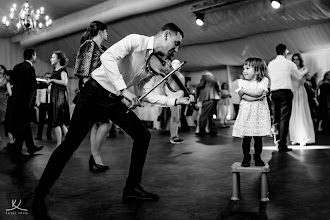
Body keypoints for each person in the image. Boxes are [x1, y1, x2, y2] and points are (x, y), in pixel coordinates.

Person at [32, 23, 193, 216]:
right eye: (176, 43)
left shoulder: (153, 63)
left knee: (142, 135)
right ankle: (39, 194)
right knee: (69, 145)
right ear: (166, 35)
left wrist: (176, 100)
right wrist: (124, 91)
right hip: (93, 94)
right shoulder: (135, 41)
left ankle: (132, 188)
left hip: (113, 99)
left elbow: (145, 94)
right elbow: (106, 57)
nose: (176, 50)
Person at [74, 21, 112, 171]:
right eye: (106, 31)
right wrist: (88, 91)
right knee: (106, 123)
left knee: (96, 124)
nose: (108, 34)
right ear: (101, 31)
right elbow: (84, 71)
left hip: (100, 90)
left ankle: (95, 158)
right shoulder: (89, 44)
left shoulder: (101, 47)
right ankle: (95, 157)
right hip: (92, 91)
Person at [232, 57, 271, 167]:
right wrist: (257, 97)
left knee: (258, 137)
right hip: (247, 113)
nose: (244, 70)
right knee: (246, 138)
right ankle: (246, 157)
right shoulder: (241, 82)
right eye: (243, 68)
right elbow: (246, 97)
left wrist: (250, 93)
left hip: (259, 114)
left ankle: (258, 157)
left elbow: (259, 91)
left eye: (248, 68)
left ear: (257, 70)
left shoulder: (264, 80)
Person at [268, 44, 306, 152]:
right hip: (285, 92)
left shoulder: (270, 64)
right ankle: (282, 144)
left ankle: (277, 141)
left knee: (276, 118)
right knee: (284, 118)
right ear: (285, 52)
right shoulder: (289, 63)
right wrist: (305, 71)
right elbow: (298, 75)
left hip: (274, 92)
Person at [9, 49, 44, 158]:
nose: (36, 57)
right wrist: (44, 84)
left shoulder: (16, 67)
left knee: (24, 125)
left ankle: (31, 147)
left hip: (15, 101)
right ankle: (16, 149)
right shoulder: (30, 68)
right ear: (32, 56)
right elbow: (31, 85)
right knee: (23, 126)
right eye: (36, 55)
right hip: (24, 103)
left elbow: (13, 82)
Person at [289, 53, 315, 146]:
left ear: (300, 61)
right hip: (293, 92)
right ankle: (295, 137)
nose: (295, 61)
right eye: (294, 59)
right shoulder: (291, 70)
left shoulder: (303, 69)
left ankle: (304, 137)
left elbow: (299, 77)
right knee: (294, 114)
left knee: (302, 113)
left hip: (300, 92)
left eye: (297, 59)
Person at [48, 51, 70, 147]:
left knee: (57, 121)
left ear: (58, 59)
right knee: (60, 122)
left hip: (60, 97)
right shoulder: (54, 71)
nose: (51, 59)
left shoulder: (62, 70)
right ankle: (68, 143)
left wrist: (52, 80)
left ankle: (59, 144)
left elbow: (64, 82)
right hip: (55, 97)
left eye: (53, 57)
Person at [195, 71, 221, 135]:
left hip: (207, 98)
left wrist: (196, 96)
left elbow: (200, 86)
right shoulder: (214, 79)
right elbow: (218, 89)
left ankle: (202, 130)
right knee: (211, 115)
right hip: (214, 98)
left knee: (203, 114)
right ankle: (213, 130)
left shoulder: (204, 77)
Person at [35, 73, 53, 141]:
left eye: (49, 77)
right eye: (46, 77)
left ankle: (49, 135)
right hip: (42, 104)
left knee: (50, 121)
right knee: (41, 121)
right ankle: (39, 135)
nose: (47, 79)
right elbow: (38, 94)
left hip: (50, 104)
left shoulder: (52, 85)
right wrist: (38, 103)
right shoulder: (41, 85)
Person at [3, 69, 15, 150]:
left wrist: (7, 91)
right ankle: (15, 142)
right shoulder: (17, 82)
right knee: (15, 123)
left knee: (9, 124)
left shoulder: (8, 82)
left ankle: (11, 143)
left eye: (6, 75)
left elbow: (10, 93)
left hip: (11, 104)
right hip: (17, 104)